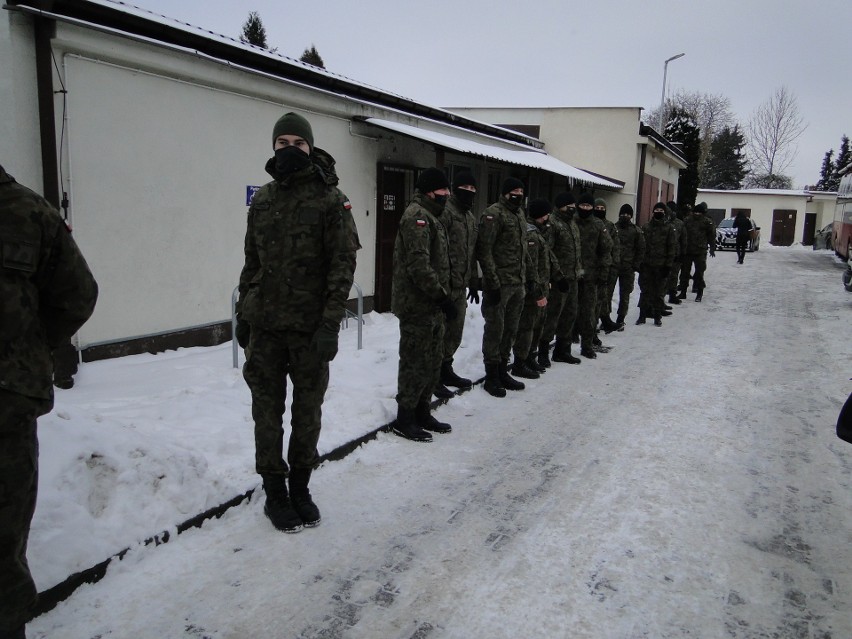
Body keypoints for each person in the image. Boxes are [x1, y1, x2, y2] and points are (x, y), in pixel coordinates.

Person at [236, 112, 360, 533]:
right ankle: (275, 493)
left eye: (298, 143)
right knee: (266, 414)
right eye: (282, 142)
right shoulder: (264, 199)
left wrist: (329, 325)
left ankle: (301, 488)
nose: (290, 149)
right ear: (274, 147)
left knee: (307, 414)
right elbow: (252, 261)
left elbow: (341, 267)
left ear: (310, 148)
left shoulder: (330, 199)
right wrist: (243, 314)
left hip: (308, 331)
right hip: (265, 329)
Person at [0, 164, 98, 639]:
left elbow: (76, 295)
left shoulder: (26, 212)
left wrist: (24, 353)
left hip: (4, 407)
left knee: (1, 549)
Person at [390, 168, 455, 443]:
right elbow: (419, 266)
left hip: (432, 305)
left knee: (431, 359)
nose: (447, 195)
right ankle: (405, 417)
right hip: (417, 304)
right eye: (443, 191)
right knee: (415, 361)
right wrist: (441, 296)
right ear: (430, 191)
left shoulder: (432, 216)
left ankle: (422, 411)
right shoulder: (417, 216)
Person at [476, 177, 529, 397]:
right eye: (514, 191)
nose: (518, 194)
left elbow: (523, 249)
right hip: (499, 284)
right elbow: (484, 249)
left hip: (517, 282)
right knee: (495, 329)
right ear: (505, 192)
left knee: (511, 329)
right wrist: (492, 281)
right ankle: (491, 376)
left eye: (521, 191)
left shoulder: (519, 214)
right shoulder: (493, 213)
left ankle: (502, 369)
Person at [433, 171, 479, 399]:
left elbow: (470, 253)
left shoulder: (470, 217)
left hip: (461, 285)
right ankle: (433, 377)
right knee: (440, 333)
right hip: (444, 286)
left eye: (473, 189)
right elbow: (437, 251)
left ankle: (445, 369)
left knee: (455, 332)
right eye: (465, 188)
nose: (469, 193)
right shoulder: (445, 213)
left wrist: (473, 280)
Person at [512, 198, 565, 378]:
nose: (549, 218)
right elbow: (530, 266)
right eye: (546, 215)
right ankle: (520, 361)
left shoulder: (539, 233)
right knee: (527, 326)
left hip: (541, 288)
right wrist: (536, 291)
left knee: (536, 325)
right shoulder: (531, 235)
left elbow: (549, 258)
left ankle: (529, 357)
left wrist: (558, 276)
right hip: (533, 290)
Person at [540, 192, 583, 365]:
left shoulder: (572, 224)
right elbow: (548, 253)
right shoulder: (553, 224)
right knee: (552, 315)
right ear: (560, 206)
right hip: (558, 280)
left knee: (570, 314)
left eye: (574, 205)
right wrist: (557, 276)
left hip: (572, 278)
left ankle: (562, 350)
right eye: (568, 205)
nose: (572, 208)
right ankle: (542, 351)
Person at [574, 193, 612, 359]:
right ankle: (566, 343)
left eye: (588, 206)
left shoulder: (598, 225)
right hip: (571, 275)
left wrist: (603, 274)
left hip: (591, 276)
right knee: (569, 312)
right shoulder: (571, 222)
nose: (585, 209)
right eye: (582, 205)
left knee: (589, 313)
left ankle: (587, 345)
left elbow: (606, 250)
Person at [637, 202, 676, 326]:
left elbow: (671, 248)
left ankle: (657, 316)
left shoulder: (669, 228)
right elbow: (641, 246)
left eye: (661, 210)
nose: (658, 212)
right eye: (656, 210)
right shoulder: (646, 227)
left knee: (659, 293)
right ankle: (642, 315)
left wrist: (668, 265)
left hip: (661, 266)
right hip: (647, 265)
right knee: (645, 291)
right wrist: (640, 263)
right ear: (653, 212)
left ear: (664, 212)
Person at [613, 204, 645, 329]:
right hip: (613, 267)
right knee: (607, 294)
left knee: (625, 294)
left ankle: (621, 318)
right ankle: (605, 319)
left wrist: (635, 265)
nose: (625, 216)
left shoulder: (636, 231)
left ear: (631, 216)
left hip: (628, 267)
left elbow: (641, 249)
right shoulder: (613, 229)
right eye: (623, 214)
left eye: (627, 214)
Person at [594, 198, 621, 337]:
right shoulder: (589, 223)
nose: (599, 210)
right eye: (597, 207)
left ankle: (605, 319)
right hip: (592, 267)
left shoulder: (610, 226)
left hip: (607, 267)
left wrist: (614, 264)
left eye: (602, 208)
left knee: (605, 295)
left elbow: (615, 247)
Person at [679, 201, 716, 302]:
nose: (697, 214)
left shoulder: (707, 222)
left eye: (699, 213)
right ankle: (683, 292)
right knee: (684, 273)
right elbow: (682, 235)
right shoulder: (687, 220)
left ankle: (699, 293)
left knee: (699, 273)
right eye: (695, 212)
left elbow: (711, 236)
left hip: (700, 251)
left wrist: (712, 248)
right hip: (688, 251)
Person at [665, 201, 685, 305]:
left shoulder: (680, 223)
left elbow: (683, 240)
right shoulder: (662, 222)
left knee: (673, 276)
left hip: (676, 254)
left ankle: (672, 295)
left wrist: (682, 254)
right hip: (663, 254)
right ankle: (661, 300)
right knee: (664, 277)